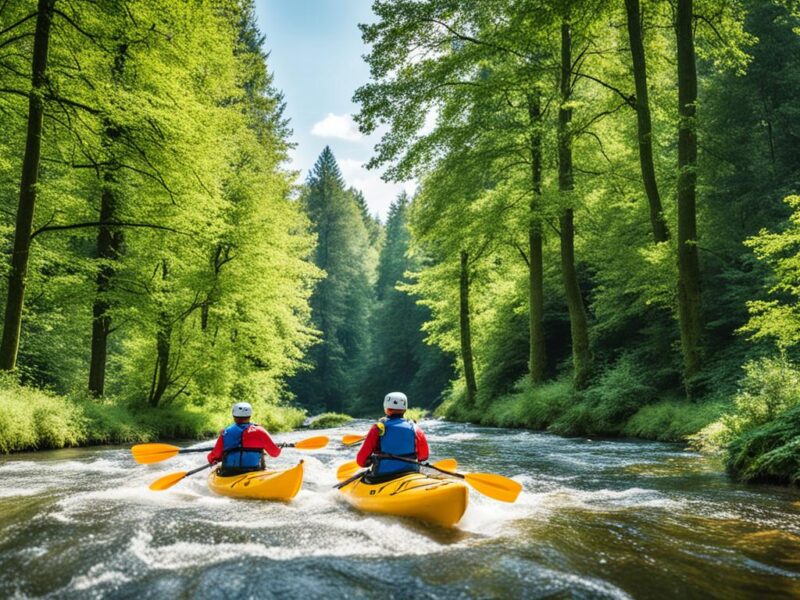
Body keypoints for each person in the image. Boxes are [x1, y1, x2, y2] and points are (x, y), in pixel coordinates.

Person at [356, 392, 429, 481]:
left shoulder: (378, 428)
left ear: (386, 409)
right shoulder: (415, 428)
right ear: (405, 409)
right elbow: (424, 456)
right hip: (410, 471)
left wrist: (368, 462)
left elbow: (361, 460)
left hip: (383, 475)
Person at [207, 402, 281, 475]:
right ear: (250, 415)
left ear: (234, 416)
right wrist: (279, 448)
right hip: (253, 472)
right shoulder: (260, 431)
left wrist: (212, 460)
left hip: (229, 473)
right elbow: (275, 453)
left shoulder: (226, 433)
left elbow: (215, 455)